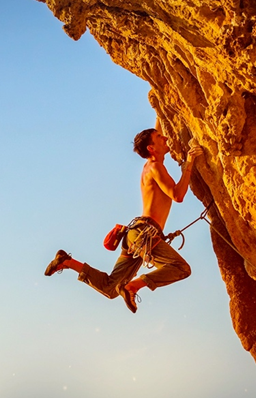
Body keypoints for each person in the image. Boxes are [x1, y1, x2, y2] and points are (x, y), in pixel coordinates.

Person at [44, 128, 204, 313]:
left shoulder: (149, 166)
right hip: (145, 234)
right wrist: (189, 163)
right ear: (151, 148)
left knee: (111, 288)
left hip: (136, 235)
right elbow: (177, 195)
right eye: (160, 137)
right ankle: (132, 287)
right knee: (181, 268)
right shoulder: (154, 167)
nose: (165, 137)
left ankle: (67, 262)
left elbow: (156, 127)